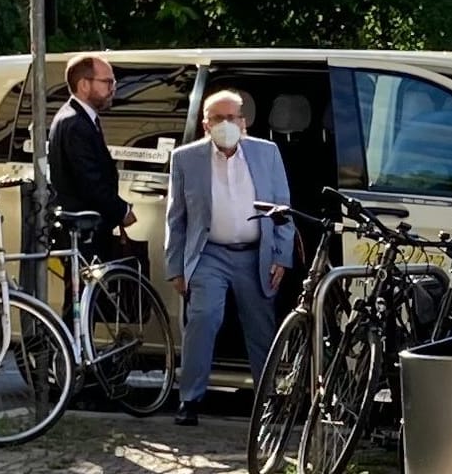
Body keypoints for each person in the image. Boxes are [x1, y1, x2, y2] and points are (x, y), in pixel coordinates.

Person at [164, 89, 295, 427]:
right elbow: (176, 217)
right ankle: (189, 400)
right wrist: (176, 267)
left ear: (244, 121)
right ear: (205, 124)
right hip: (210, 253)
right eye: (218, 118)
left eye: (232, 117)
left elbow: (283, 209)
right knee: (203, 319)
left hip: (256, 254)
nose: (226, 124)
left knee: (261, 327)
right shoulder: (185, 158)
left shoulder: (267, 153)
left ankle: (267, 401)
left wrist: (281, 255)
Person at [48, 54, 136, 261]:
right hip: (84, 229)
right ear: (84, 85)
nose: (113, 88)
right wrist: (122, 210)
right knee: (89, 287)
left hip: (86, 229)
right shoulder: (75, 122)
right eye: (107, 82)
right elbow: (89, 180)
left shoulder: (78, 117)